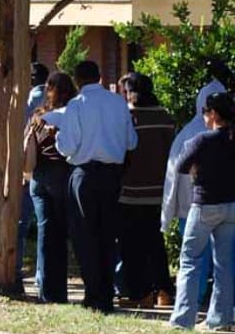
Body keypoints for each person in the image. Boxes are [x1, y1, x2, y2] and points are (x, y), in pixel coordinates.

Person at [54, 60, 138, 313]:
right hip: (112, 175)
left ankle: (93, 294)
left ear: (78, 80)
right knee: (107, 235)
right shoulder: (117, 102)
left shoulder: (76, 105)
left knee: (85, 236)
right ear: (100, 77)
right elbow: (131, 142)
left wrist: (58, 137)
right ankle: (107, 294)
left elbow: (67, 146)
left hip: (85, 173)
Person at [169, 91, 235, 331]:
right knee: (225, 263)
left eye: (206, 112)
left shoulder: (202, 140)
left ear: (214, 114)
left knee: (190, 260)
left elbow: (181, 166)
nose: (205, 116)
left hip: (205, 205)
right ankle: (221, 318)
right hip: (231, 207)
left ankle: (183, 319)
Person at [116, 72, 176, 308]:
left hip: (131, 190)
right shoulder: (165, 117)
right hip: (159, 189)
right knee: (154, 241)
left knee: (132, 244)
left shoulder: (128, 117)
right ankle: (163, 290)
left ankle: (140, 294)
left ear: (130, 92)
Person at [24, 72, 77, 303]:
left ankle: (46, 290)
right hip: (62, 175)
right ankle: (59, 291)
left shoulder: (39, 116)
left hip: (38, 177)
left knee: (46, 233)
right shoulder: (71, 115)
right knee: (61, 235)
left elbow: (30, 146)